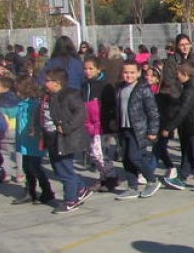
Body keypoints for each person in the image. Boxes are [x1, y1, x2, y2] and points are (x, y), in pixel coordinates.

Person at [42, 68, 93, 214]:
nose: (45, 83)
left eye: (48, 81)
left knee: (65, 170)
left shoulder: (70, 95)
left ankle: (71, 200)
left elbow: (80, 113)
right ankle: (81, 189)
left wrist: (66, 127)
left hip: (66, 138)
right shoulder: (49, 96)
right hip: (52, 138)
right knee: (59, 168)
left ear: (57, 83)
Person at [161, 63, 194, 192]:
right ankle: (182, 177)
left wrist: (169, 127)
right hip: (192, 127)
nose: (177, 76)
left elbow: (182, 111)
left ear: (185, 74)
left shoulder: (191, 91)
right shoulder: (189, 87)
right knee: (187, 154)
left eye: (178, 74)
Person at [113, 60, 162, 200]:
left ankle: (152, 180)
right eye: (126, 72)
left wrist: (153, 131)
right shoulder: (119, 88)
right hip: (124, 128)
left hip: (138, 130)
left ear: (139, 73)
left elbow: (153, 111)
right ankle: (132, 187)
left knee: (135, 157)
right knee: (126, 159)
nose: (129, 75)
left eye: (132, 72)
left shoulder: (143, 89)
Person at [8, 76, 55, 206]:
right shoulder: (22, 103)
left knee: (34, 167)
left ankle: (47, 191)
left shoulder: (34, 104)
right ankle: (30, 191)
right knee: (27, 167)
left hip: (33, 141)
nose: (16, 93)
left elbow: (39, 121)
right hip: (24, 140)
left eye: (18, 90)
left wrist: (35, 130)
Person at [81, 56, 118, 191]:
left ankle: (111, 177)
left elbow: (111, 105)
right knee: (93, 153)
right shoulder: (84, 85)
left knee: (99, 152)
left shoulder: (104, 85)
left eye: (91, 69)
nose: (88, 71)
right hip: (89, 123)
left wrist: (111, 122)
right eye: (85, 69)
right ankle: (104, 176)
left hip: (102, 124)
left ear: (98, 69)